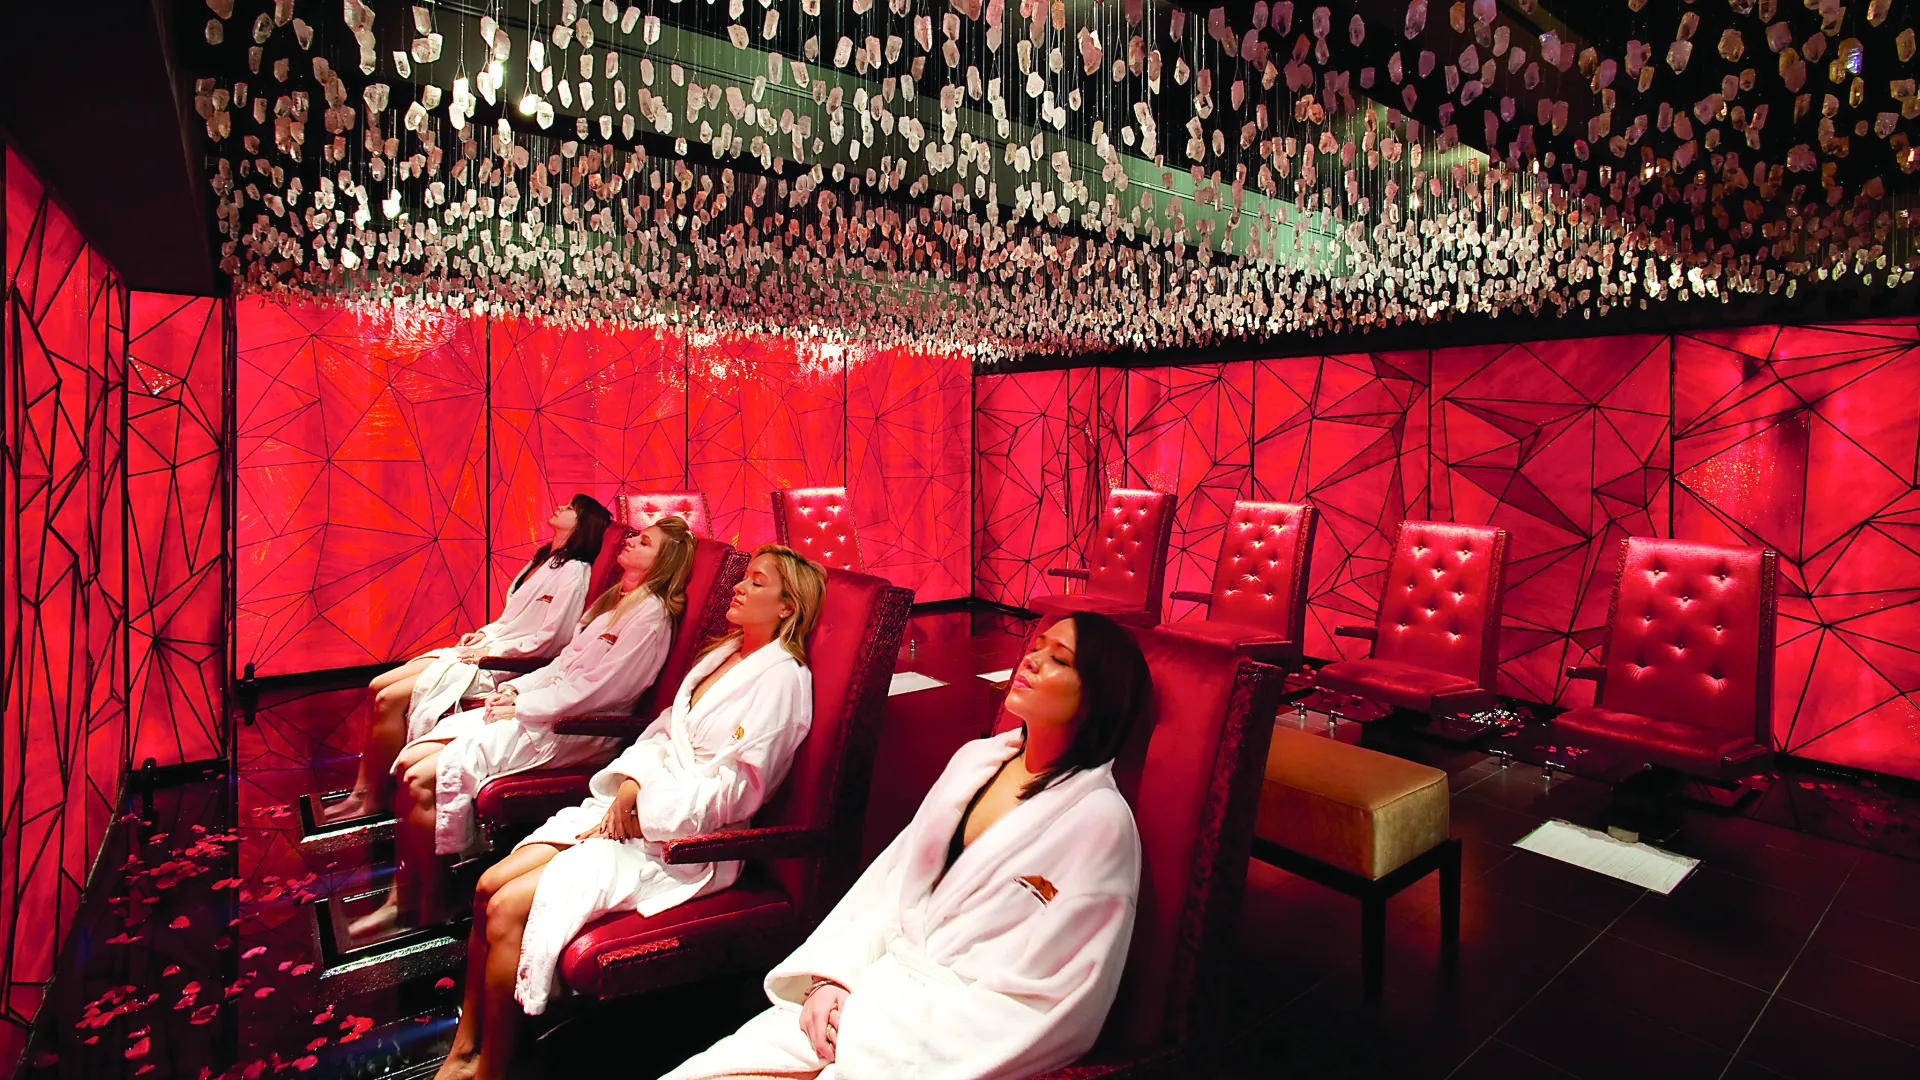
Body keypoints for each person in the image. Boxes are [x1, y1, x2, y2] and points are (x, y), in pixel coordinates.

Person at [663, 612, 1152, 1080]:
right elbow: (891, 881)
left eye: (1059, 659)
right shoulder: (975, 760)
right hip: (868, 991)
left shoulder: (1098, 823)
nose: (1031, 659)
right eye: (1036, 647)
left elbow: (1056, 1001)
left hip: (937, 1045)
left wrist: (875, 1039)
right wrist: (832, 979)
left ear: (1096, 697)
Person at [433, 545, 828, 1080]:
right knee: (488, 886)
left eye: (757, 583)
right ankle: (466, 1045)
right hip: (634, 807)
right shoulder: (724, 654)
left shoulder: (782, 681)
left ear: (788, 607)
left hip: (685, 844)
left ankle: (488, 1068)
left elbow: (737, 795)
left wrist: (645, 808)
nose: (739, 587)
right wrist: (631, 784)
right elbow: (665, 729)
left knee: (507, 908)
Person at [348, 517, 698, 939]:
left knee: (423, 778)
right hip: (539, 708)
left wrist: (526, 705)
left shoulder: (652, 618)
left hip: (577, 728)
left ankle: (426, 905)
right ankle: (401, 895)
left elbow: (603, 691)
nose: (630, 542)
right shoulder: (615, 599)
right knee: (410, 761)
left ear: (663, 564)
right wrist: (516, 691)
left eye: (644, 543)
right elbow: (563, 663)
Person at [324, 495, 612, 823]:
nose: (561, 507)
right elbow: (511, 620)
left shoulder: (574, 572)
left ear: (582, 525)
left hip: (502, 664)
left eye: (572, 509)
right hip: (489, 648)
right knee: (378, 686)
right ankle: (361, 791)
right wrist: (485, 633)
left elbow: (551, 639)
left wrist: (492, 651)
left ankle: (375, 799)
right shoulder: (545, 559)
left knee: (389, 698)